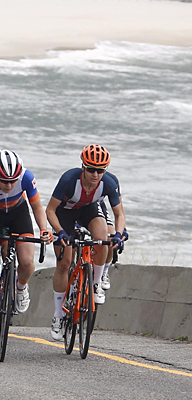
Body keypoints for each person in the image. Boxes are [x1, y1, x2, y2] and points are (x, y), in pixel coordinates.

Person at [0, 149, 53, 342]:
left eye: (12, 181)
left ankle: (21, 287)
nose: (8, 185)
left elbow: (37, 206)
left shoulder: (26, 177)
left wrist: (43, 229)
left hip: (18, 214)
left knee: (27, 263)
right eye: (4, 181)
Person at [46, 144, 126, 341]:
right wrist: (60, 232)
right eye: (91, 169)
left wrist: (118, 233)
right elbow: (49, 210)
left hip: (89, 209)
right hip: (65, 212)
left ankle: (96, 282)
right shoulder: (68, 180)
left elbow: (119, 214)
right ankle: (58, 315)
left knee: (102, 238)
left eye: (100, 170)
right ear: (83, 167)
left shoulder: (109, 182)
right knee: (64, 263)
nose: (95, 174)